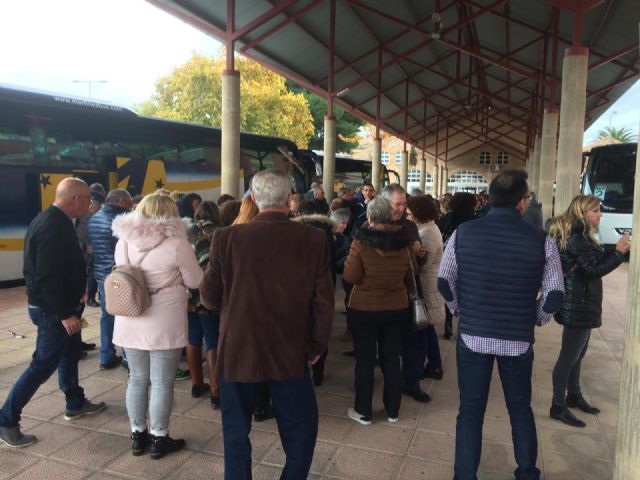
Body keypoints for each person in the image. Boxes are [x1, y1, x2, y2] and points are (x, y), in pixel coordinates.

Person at [200, 169, 334, 480]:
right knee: (301, 427)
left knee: (235, 431)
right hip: (290, 350)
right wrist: (317, 345)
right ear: (289, 200)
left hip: (238, 350)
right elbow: (324, 302)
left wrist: (237, 308)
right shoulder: (314, 239)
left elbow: (208, 297)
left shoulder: (225, 238)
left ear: (253, 198)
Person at [438, 169, 565, 480]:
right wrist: (534, 318)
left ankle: (464, 475)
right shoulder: (543, 241)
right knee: (520, 410)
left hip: (473, 337)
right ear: (522, 203)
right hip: (517, 341)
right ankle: (526, 472)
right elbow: (554, 296)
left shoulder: (463, 233)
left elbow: (444, 282)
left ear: (491, 199)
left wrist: (459, 311)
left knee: (470, 411)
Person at [0, 178, 106, 448]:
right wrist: (64, 314)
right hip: (52, 311)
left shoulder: (53, 220)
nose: (91, 204)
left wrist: (77, 292)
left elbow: (61, 265)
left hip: (61, 306)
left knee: (70, 354)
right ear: (77, 200)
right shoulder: (52, 226)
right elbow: (47, 276)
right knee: (42, 365)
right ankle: (6, 420)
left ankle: (75, 401)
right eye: (88, 199)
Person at [111, 193, 203, 459]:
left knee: (136, 378)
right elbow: (195, 281)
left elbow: (121, 270)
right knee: (162, 382)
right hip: (165, 318)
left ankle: (137, 435)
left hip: (131, 314)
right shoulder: (177, 242)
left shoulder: (124, 240)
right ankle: (159, 439)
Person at [548, 195, 630, 428]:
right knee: (568, 358)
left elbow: (590, 264)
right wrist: (619, 253)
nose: (600, 214)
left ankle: (573, 396)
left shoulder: (581, 235)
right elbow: (593, 270)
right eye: (595, 211)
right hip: (578, 304)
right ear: (583, 213)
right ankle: (558, 405)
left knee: (577, 355)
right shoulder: (577, 238)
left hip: (581, 302)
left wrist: (613, 251)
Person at [343, 196, 413, 425]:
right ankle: (393, 410)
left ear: (371, 217)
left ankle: (363, 411)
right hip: (397, 306)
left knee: (364, 361)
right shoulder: (405, 242)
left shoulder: (360, 242)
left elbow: (351, 276)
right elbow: (410, 276)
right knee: (392, 359)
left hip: (364, 308)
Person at [381, 184, 430, 404]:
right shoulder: (373, 224)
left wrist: (421, 255)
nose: (401, 208)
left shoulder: (410, 227)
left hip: (410, 291)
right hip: (385, 293)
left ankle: (412, 383)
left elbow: (417, 262)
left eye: (404, 204)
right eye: (397, 204)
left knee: (415, 340)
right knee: (388, 344)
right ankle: (390, 385)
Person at [87, 188, 133, 370]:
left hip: (101, 276)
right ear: (121, 202)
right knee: (125, 314)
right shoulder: (122, 220)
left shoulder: (94, 218)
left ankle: (106, 355)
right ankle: (128, 357)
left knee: (107, 315)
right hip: (118, 275)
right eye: (128, 204)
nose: (130, 207)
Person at [186, 201, 222, 409]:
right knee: (212, 340)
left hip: (187, 295)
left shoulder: (185, 232)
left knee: (193, 338)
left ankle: (196, 383)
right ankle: (216, 391)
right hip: (206, 294)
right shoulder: (217, 233)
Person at [406, 195, 445, 380]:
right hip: (429, 284)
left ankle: (429, 366)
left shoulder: (427, 232)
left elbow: (425, 264)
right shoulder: (428, 227)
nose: (408, 215)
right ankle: (435, 365)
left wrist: (412, 254)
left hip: (427, 285)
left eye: (409, 212)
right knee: (427, 328)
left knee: (424, 328)